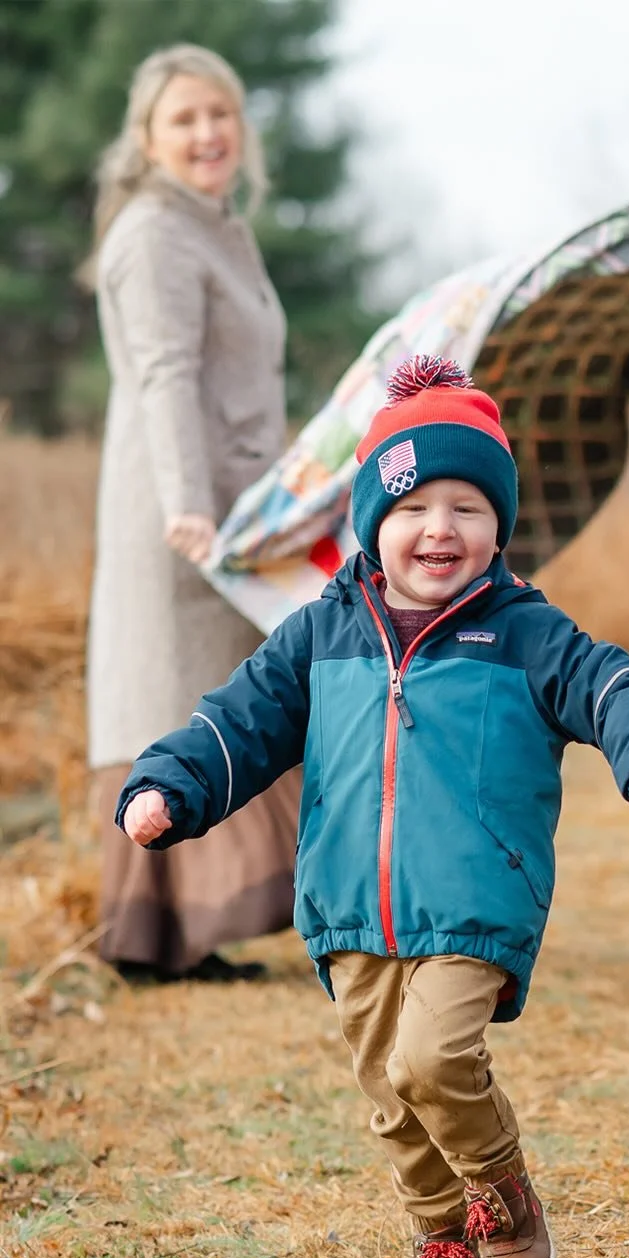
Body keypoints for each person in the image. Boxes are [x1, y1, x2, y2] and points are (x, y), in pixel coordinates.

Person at [113, 355, 629, 1258]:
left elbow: (610, 686)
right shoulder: (319, 636)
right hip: (347, 903)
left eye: (469, 507)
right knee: (389, 1093)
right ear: (372, 522)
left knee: (431, 1059)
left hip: (475, 898)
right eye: (414, 506)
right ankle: (441, 1234)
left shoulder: (524, 633)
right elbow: (237, 722)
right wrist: (169, 782)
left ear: (500, 525)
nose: (441, 529)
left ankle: (503, 1194)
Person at [84, 45, 299, 983]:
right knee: (166, 697)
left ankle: (189, 933)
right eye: (184, 119)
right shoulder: (154, 234)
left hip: (234, 511)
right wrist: (187, 505)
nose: (208, 133)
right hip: (180, 516)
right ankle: (152, 938)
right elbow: (166, 375)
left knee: (214, 696)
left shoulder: (219, 227)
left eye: (221, 113)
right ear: (147, 139)